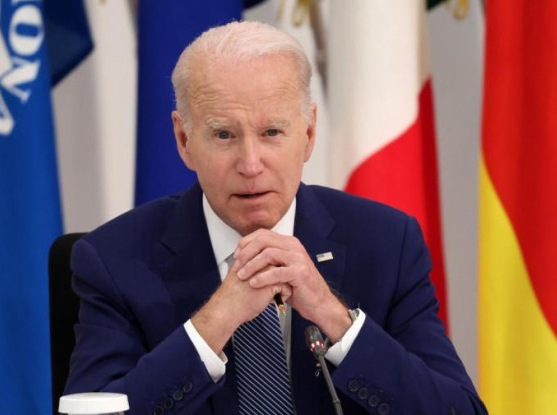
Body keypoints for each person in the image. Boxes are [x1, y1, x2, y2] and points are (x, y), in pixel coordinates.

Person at [64, 21, 486, 415]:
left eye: (272, 133)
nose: (250, 164)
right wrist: (215, 321)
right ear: (183, 140)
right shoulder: (114, 260)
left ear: (307, 133)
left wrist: (333, 315)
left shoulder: (387, 244)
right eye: (224, 135)